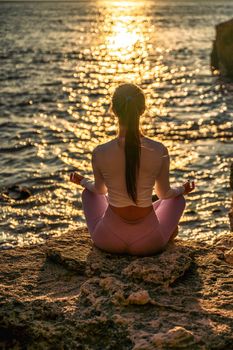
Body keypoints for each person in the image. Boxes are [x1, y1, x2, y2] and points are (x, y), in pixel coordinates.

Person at [70, 83, 195, 256]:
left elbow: (100, 190)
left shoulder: (100, 151)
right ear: (142, 109)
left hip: (107, 240)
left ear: (114, 110)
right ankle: (166, 232)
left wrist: (82, 181)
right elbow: (163, 194)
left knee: (88, 193)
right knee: (177, 199)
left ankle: (161, 231)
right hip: (149, 243)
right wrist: (183, 189)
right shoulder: (159, 149)